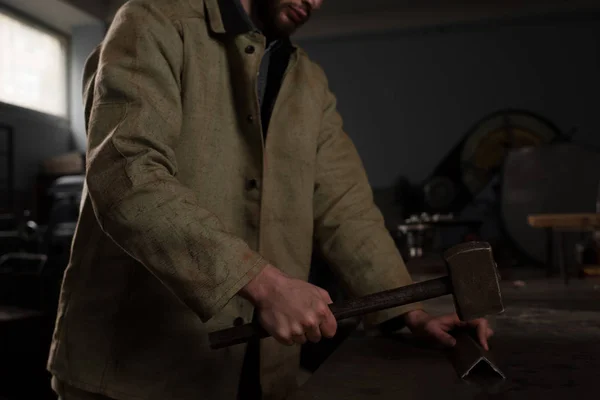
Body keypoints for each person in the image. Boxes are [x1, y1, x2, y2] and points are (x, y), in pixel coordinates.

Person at [47, 0, 493, 399]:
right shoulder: (152, 21)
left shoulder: (310, 84)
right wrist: (265, 283)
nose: (315, 2)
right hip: (132, 374)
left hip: (258, 372)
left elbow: (347, 209)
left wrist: (408, 312)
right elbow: (126, 174)